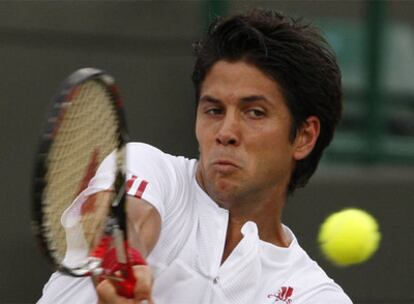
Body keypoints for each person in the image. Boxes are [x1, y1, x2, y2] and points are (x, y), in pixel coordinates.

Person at [38, 8, 352, 304]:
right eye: (214, 110)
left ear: (304, 136)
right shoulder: (151, 168)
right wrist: (123, 261)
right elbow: (125, 216)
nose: (225, 131)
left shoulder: (313, 295)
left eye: (254, 112)